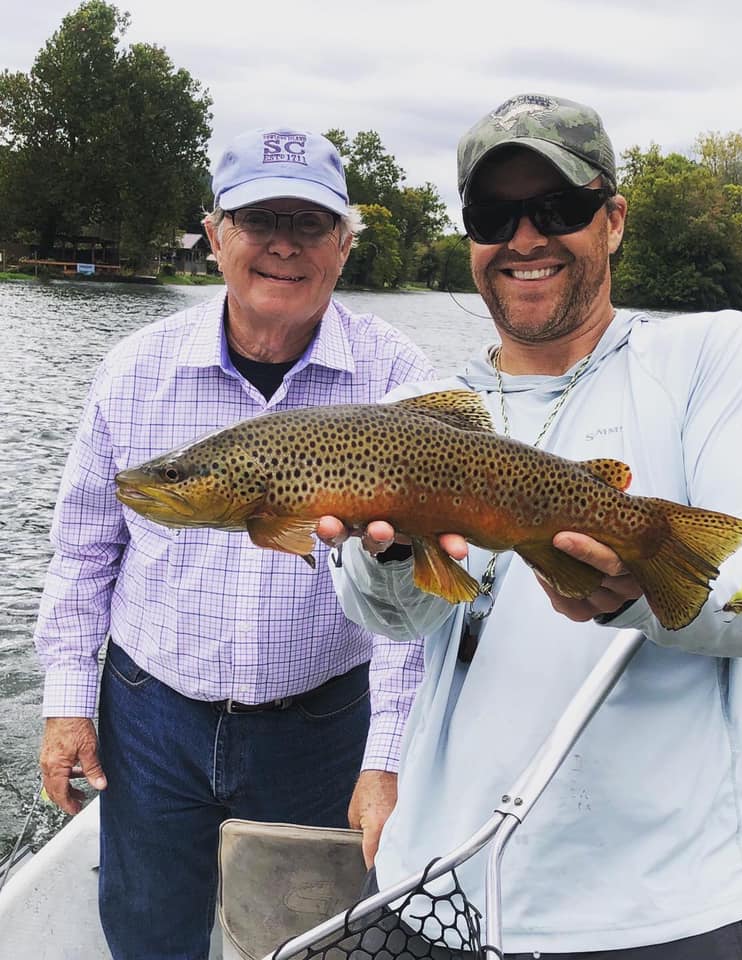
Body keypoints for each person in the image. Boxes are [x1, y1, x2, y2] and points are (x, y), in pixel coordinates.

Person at [320, 93, 742, 958]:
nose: (524, 238)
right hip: (434, 882)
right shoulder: (417, 413)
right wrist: (392, 559)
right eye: (495, 214)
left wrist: (642, 592)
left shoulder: (713, 358)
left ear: (614, 218)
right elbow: (395, 621)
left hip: (660, 913)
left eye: (558, 208)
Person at [33, 126, 433, 959]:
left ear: (345, 245)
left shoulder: (404, 381)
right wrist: (70, 702)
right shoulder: (133, 368)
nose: (284, 245)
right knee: (147, 929)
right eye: (258, 221)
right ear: (214, 236)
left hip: (325, 727)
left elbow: (421, 604)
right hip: (149, 718)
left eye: (311, 223)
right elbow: (82, 551)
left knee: (306, 939)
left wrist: (386, 755)